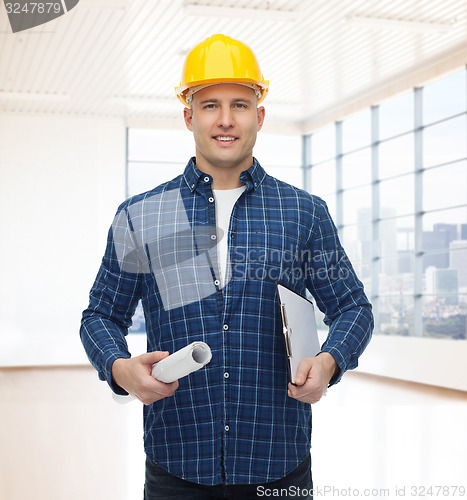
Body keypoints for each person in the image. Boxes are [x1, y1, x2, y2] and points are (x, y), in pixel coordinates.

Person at [80, 34, 373, 499]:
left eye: (240, 104)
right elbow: (100, 315)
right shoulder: (143, 214)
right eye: (210, 104)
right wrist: (119, 368)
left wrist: (329, 360)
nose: (225, 119)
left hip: (278, 461)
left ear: (259, 115)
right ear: (188, 115)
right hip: (176, 459)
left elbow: (353, 308)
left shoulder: (302, 212)